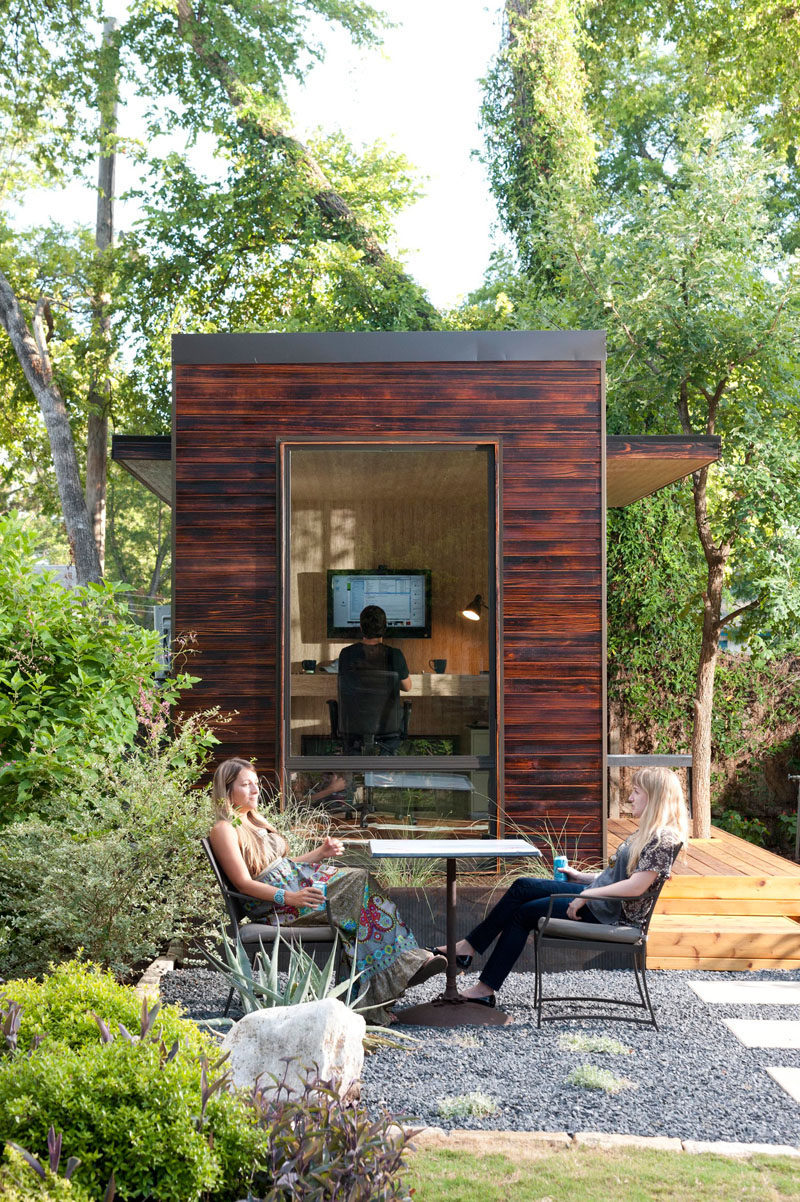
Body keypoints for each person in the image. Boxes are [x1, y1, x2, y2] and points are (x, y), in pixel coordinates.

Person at [209, 757, 445, 1024]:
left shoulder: (254, 822)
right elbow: (243, 883)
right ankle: (400, 971)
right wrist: (291, 897)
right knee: (359, 883)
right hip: (277, 906)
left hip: (294, 889)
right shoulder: (225, 829)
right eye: (246, 785)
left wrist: (319, 853)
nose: (255, 790)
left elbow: (282, 867)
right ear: (227, 790)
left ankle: (383, 986)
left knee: (359, 903)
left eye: (256, 784)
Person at [435, 766, 689, 1007]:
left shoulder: (663, 839)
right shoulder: (646, 834)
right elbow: (617, 878)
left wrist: (587, 895)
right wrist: (581, 878)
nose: (630, 798)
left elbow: (635, 887)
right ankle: (473, 962)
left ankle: (478, 975)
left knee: (523, 912)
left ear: (655, 797)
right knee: (522, 886)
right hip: (602, 903)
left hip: (609, 913)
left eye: (636, 791)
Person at [337, 604, 411, 754]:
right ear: (384, 628)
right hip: (387, 729)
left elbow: (343, 686)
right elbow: (407, 687)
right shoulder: (394, 655)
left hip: (353, 729)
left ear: (361, 628)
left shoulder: (346, 654)